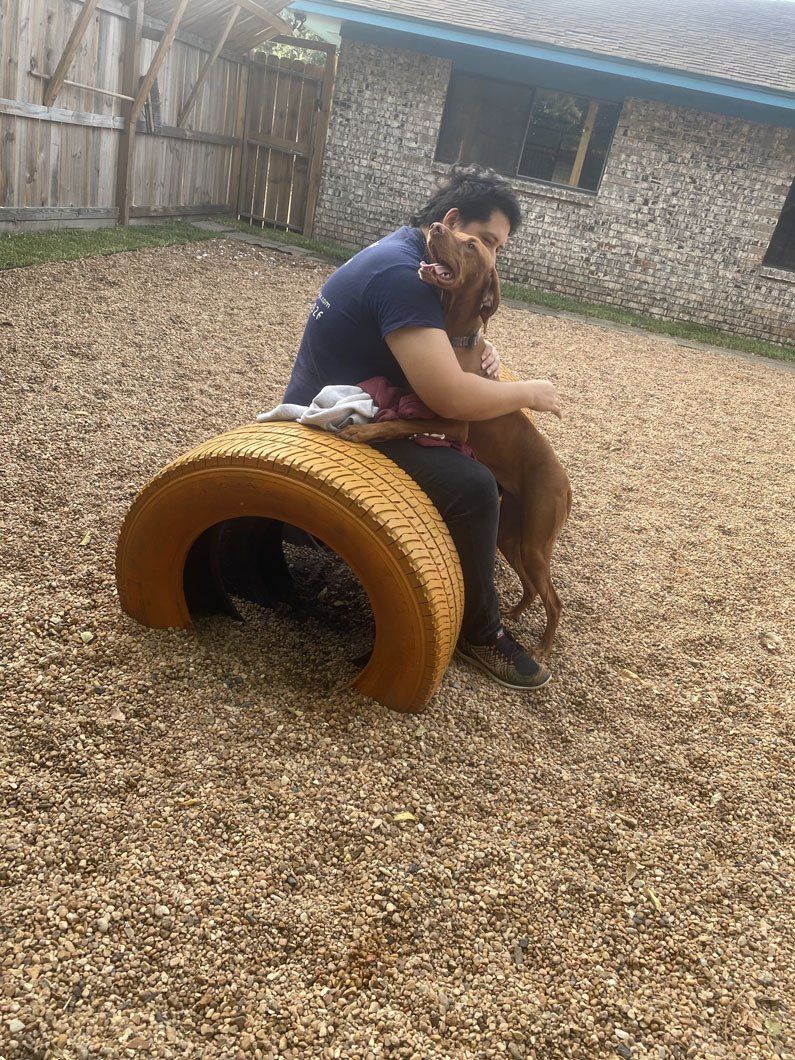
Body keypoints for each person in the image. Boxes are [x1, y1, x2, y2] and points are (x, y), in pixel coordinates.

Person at [282, 164, 562, 690]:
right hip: (332, 424)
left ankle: (458, 576)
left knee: (475, 451)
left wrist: (472, 345)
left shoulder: (409, 255)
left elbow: (440, 347)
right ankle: (480, 633)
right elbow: (447, 397)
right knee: (475, 483)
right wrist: (530, 392)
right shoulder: (402, 276)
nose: (491, 258)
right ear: (451, 221)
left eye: (498, 249)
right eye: (485, 241)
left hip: (358, 400)